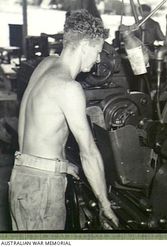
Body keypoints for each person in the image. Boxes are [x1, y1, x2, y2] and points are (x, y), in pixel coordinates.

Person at [9, 9, 118, 231]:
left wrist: (61, 165)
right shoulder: (69, 88)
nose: (98, 60)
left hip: (22, 177)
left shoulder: (45, 65)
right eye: (97, 51)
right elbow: (88, 152)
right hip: (43, 190)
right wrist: (105, 205)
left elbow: (32, 131)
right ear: (85, 46)